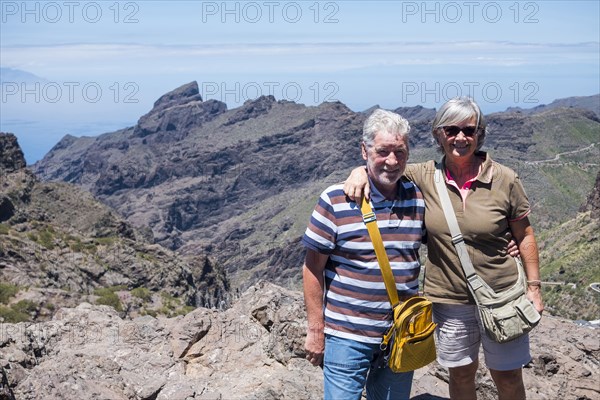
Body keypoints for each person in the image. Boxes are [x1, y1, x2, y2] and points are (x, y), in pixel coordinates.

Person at [343, 97, 544, 400]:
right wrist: (358, 171)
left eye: (469, 130)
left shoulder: (505, 178)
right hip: (448, 300)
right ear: (438, 134)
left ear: (480, 134)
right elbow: (386, 166)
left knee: (508, 376)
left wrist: (535, 288)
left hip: (502, 295)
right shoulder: (423, 176)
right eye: (451, 130)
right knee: (460, 374)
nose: (460, 138)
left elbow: (525, 234)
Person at [302, 109, 425, 400]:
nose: (392, 161)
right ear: (364, 150)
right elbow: (312, 269)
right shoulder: (335, 200)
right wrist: (316, 329)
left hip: (401, 334)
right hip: (347, 337)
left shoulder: (418, 197)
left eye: (400, 152)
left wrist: (508, 240)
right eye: (382, 151)